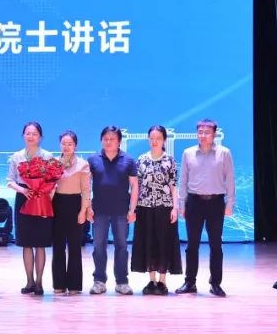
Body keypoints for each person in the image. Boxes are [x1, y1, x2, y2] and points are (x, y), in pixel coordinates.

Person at [176, 118, 235, 297]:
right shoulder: (188, 153)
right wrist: (181, 203)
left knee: (216, 245)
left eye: (207, 132)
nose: (203, 135)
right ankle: (190, 282)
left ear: (214, 134)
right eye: (200, 132)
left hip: (216, 203)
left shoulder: (224, 153)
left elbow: (230, 180)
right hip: (194, 202)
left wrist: (229, 203)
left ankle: (215, 283)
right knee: (191, 245)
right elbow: (183, 180)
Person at [87, 126, 139, 296]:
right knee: (98, 246)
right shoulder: (93, 160)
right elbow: (86, 186)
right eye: (105, 139)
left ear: (119, 142)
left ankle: (122, 282)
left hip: (121, 212)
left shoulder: (128, 160)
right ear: (101, 140)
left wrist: (132, 210)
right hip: (99, 211)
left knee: (122, 246)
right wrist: (88, 207)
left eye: (112, 139)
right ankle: (99, 281)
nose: (108, 142)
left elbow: (134, 186)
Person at [132, 125, 182, 295]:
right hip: (144, 208)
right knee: (148, 243)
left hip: (164, 208)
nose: (154, 141)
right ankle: (151, 280)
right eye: (151, 138)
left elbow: (173, 186)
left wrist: (175, 208)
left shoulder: (169, 160)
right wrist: (133, 208)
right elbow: (136, 187)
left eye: (158, 138)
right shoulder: (141, 160)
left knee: (163, 243)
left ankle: (162, 281)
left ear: (164, 140)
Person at [7, 121, 53, 296]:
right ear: (23, 136)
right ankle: (29, 281)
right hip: (23, 198)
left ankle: (39, 282)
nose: (31, 136)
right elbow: (10, 180)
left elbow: (53, 180)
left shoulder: (47, 156)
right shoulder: (16, 156)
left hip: (41, 199)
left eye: (34, 133)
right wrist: (23, 190)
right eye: (28, 133)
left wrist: (43, 192)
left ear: (40, 137)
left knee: (40, 243)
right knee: (26, 243)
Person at [51, 131, 91, 295]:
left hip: (75, 205)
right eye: (63, 144)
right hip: (56, 204)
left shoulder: (82, 164)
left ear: (75, 146)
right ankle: (59, 284)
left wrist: (83, 211)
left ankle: (74, 284)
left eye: (70, 144)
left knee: (74, 247)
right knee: (58, 247)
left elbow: (86, 191)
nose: (66, 147)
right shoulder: (53, 163)